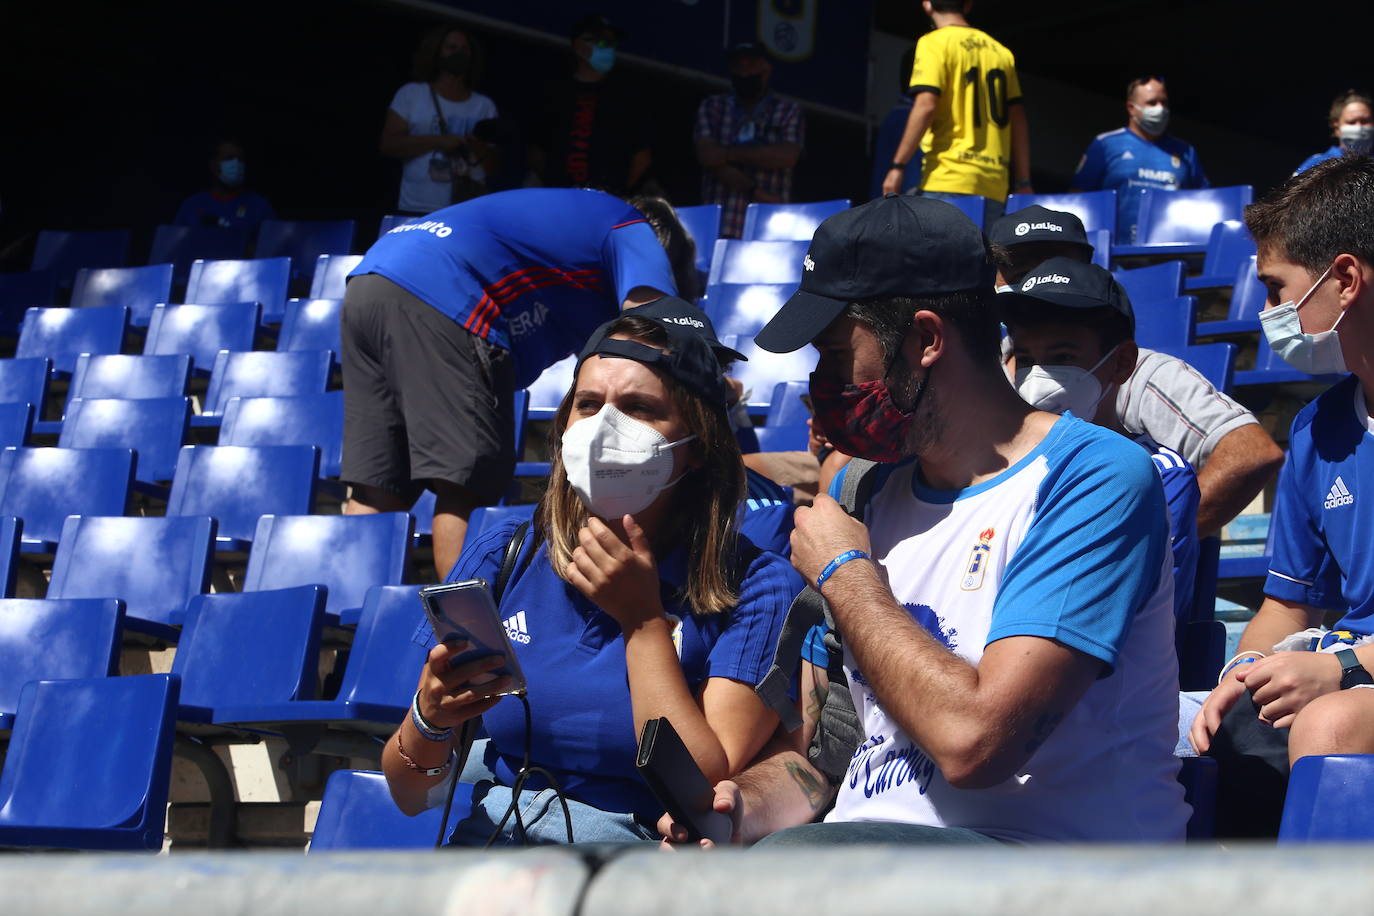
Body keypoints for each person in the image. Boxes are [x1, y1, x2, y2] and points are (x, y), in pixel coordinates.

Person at [664, 194, 1188, 846]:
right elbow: (825, 764)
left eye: (831, 354)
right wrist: (741, 808)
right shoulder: (868, 496)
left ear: (926, 339)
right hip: (872, 860)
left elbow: (976, 743)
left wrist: (845, 572)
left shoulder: (1094, 478)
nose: (818, 383)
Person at [382, 306, 803, 845]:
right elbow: (411, 795)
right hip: (488, 852)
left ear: (697, 443)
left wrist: (643, 622)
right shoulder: (505, 551)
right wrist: (430, 719)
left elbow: (701, 792)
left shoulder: (758, 587)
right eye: (588, 404)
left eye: (638, 408)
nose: (606, 427)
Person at [341, 189, 696, 579]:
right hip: (443, 288)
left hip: (371, 277)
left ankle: (364, 629)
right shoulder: (631, 225)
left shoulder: (573, 262)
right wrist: (704, 384)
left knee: (377, 487)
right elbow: (652, 325)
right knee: (467, 485)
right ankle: (466, 635)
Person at [1188, 155, 1374, 837]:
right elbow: (1287, 604)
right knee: (1174, 725)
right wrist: (1243, 670)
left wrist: (1341, 667)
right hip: (1339, 666)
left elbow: (1333, 664)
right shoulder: (1317, 427)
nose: (1266, 314)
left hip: (1346, 683)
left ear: (1346, 280)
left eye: (1275, 289)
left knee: (1329, 721)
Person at [987, 206, 1284, 537]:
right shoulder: (979, 372)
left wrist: (1151, 543)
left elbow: (1250, 453)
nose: (1042, 276)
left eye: (1056, 262)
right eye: (1018, 268)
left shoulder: (1142, 371)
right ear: (993, 279)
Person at [1000, 257, 1200, 622]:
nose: (1038, 378)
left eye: (1063, 357)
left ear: (1122, 363)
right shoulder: (993, 468)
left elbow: (1102, 615)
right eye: (1026, 358)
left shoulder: (1162, 476)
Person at [881, 1, 1031, 223]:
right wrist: (1023, 181)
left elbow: (926, 105)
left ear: (927, 5)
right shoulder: (1001, 53)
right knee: (984, 256)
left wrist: (897, 166)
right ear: (968, 5)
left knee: (936, 256)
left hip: (947, 178)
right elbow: (1017, 119)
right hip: (993, 183)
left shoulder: (934, 43)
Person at [1071, 77, 1208, 244]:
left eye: (1164, 102)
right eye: (1152, 103)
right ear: (1131, 108)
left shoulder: (1186, 152)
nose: (1160, 108)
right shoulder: (1106, 144)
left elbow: (1203, 203)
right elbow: (1077, 199)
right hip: (1111, 253)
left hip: (1167, 252)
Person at [380, 24, 499, 215]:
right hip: (416, 208)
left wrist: (476, 147)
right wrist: (439, 141)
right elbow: (389, 144)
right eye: (452, 48)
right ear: (436, 52)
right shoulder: (412, 94)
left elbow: (494, 166)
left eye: (464, 49)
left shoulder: (484, 105)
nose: (459, 54)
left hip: (465, 209)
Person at [532, 14, 653, 197]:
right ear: (578, 46)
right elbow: (536, 149)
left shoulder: (627, 95)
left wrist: (615, 193)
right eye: (599, 41)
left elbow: (642, 157)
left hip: (607, 204)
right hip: (559, 200)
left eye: (610, 43)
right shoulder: (555, 92)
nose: (606, 47)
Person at [694, 43, 804, 239]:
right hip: (718, 228)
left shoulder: (787, 110)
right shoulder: (713, 106)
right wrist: (755, 190)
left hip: (769, 231)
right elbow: (708, 156)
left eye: (751, 65)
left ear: (766, 69)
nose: (745, 72)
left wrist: (727, 154)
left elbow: (787, 156)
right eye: (739, 66)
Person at [174, 139, 274, 234]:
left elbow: (273, 246)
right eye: (229, 158)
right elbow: (174, 247)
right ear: (213, 166)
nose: (236, 164)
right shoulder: (192, 206)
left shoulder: (260, 206)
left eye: (240, 160)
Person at [1294, 89, 1373, 175]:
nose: (1359, 127)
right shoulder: (1316, 164)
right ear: (1336, 128)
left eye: (1365, 121)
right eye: (1351, 122)